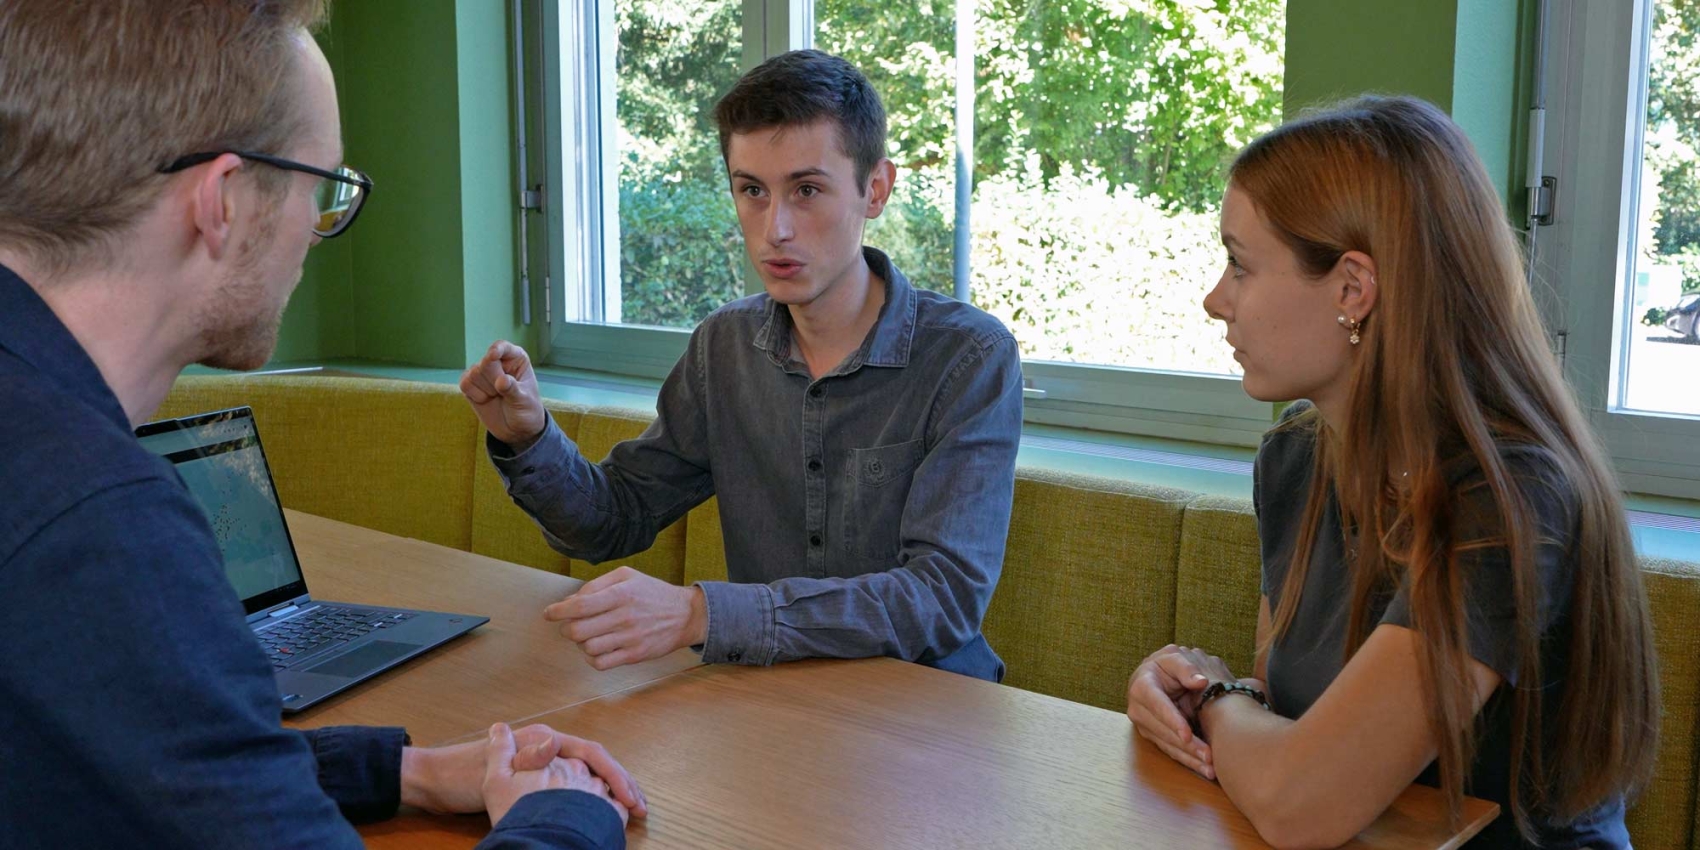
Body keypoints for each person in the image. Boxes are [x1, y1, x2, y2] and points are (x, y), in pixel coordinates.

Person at [0, 2, 643, 847]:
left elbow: (125, 759)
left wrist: (399, 772)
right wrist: (562, 818)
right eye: (321, 188)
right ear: (223, 199)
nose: (317, 228)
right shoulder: (100, 526)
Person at [1125, 96, 1659, 849]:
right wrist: (1196, 683)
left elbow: (1301, 802)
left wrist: (1210, 700)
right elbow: (1283, 721)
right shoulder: (1295, 458)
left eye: (1240, 265)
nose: (1216, 300)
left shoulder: (1510, 499)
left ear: (1353, 288)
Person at [460, 50, 1022, 681]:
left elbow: (942, 599)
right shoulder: (722, 346)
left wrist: (702, 614)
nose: (774, 228)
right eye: (751, 190)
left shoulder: (970, 356)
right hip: (768, 701)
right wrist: (527, 436)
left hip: (931, 712)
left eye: (806, 190)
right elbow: (612, 521)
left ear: (876, 190)